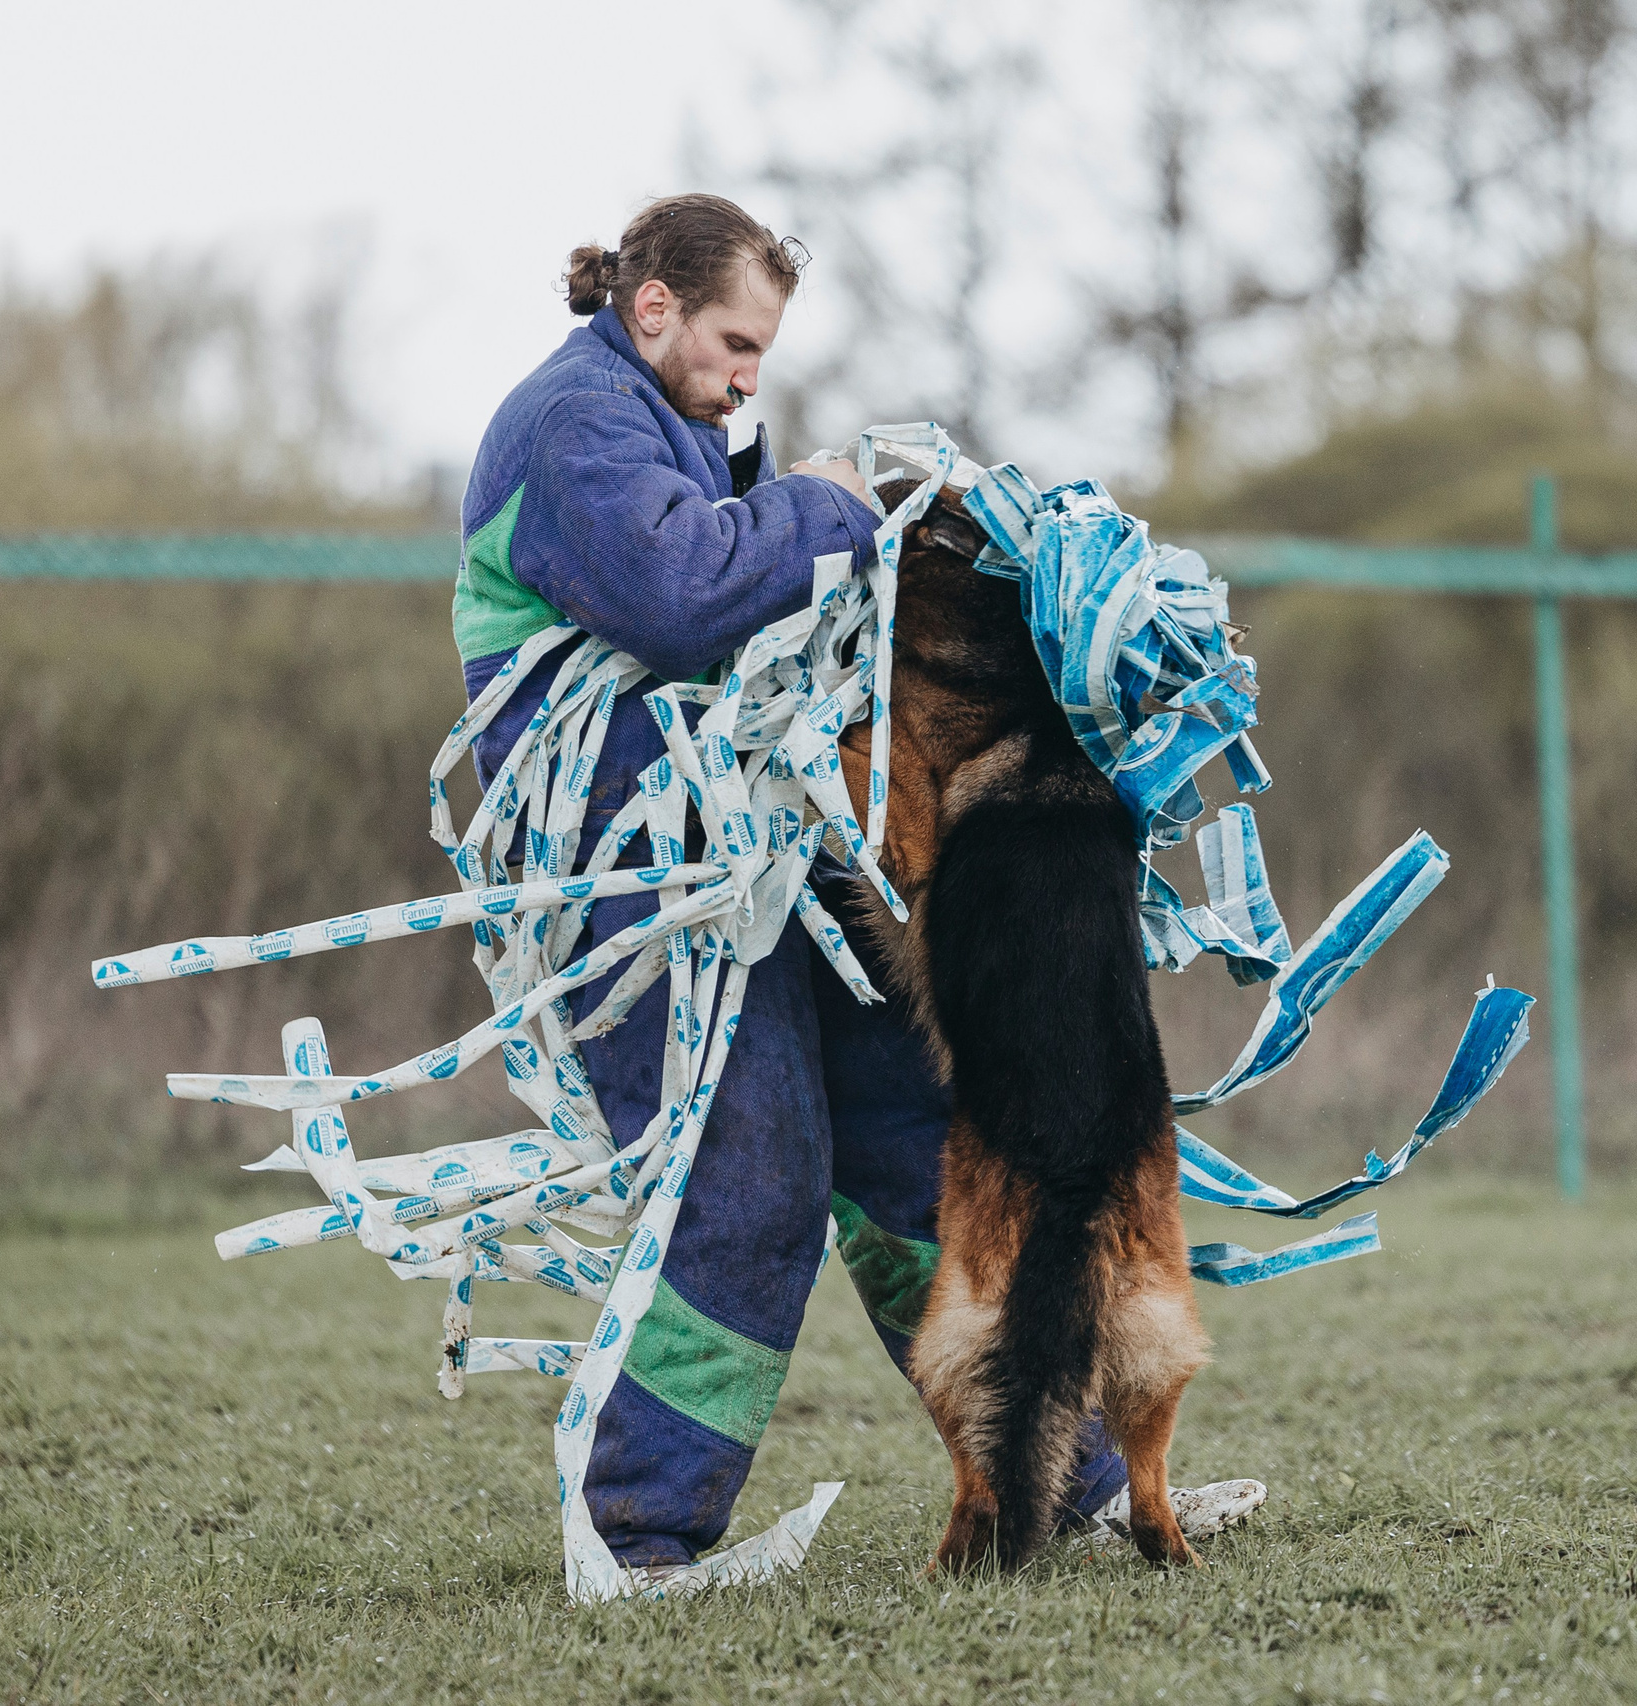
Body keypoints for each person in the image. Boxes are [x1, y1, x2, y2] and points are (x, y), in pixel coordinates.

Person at [453, 193, 1259, 1572]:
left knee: (916, 1128)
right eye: (733, 340)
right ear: (651, 308)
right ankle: (641, 1537)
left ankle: (1054, 1466)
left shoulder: (672, 423)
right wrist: (822, 506)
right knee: (748, 1178)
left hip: (742, 847)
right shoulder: (573, 426)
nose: (749, 370)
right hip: (639, 870)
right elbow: (678, 592)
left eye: (762, 348)